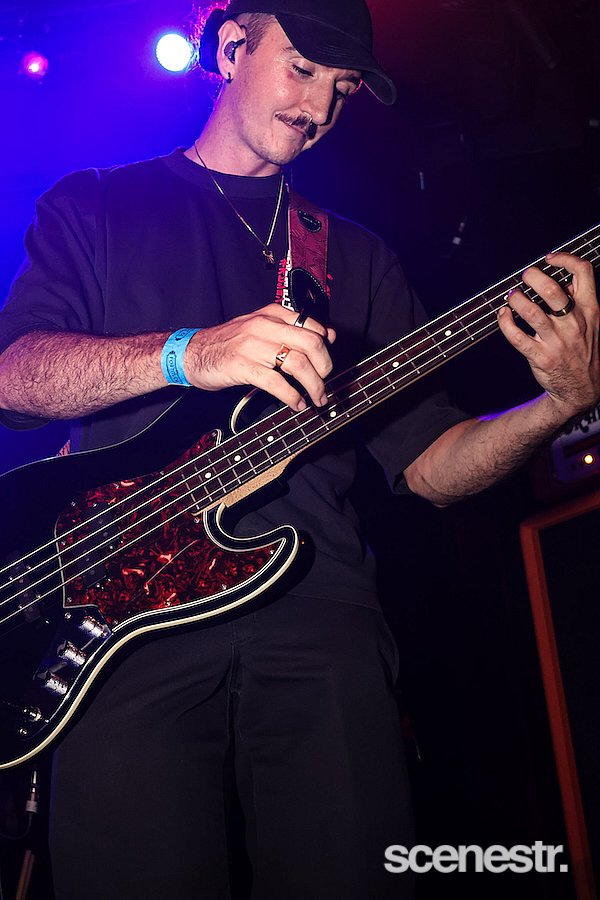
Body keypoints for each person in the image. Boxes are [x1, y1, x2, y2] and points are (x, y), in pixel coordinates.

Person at [0, 0, 598, 897]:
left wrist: (560, 404)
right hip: (121, 619)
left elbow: (432, 468)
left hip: (320, 615)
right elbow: (16, 379)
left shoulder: (355, 257)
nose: (319, 107)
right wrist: (191, 352)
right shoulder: (96, 204)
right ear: (231, 48)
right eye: (304, 69)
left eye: (343, 88)